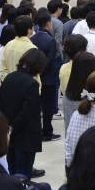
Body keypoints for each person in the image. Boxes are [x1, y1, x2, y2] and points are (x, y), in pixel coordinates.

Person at [0, 49, 47, 179]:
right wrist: (12, 127)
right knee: (23, 176)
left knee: (12, 172)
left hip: (9, 136)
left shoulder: (8, 78)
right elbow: (26, 113)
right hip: (26, 137)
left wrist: (6, 128)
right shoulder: (32, 84)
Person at [31, 13, 61, 142]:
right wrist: (41, 72)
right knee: (48, 107)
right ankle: (47, 132)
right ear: (48, 24)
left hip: (34, 77)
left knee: (35, 106)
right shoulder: (51, 40)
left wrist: (36, 72)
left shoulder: (32, 39)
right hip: (48, 78)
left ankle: (36, 130)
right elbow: (49, 60)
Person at [0, 15, 37, 81]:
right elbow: (35, 75)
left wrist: (9, 82)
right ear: (29, 30)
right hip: (26, 88)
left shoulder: (8, 45)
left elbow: (3, 69)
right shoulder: (32, 48)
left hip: (10, 86)